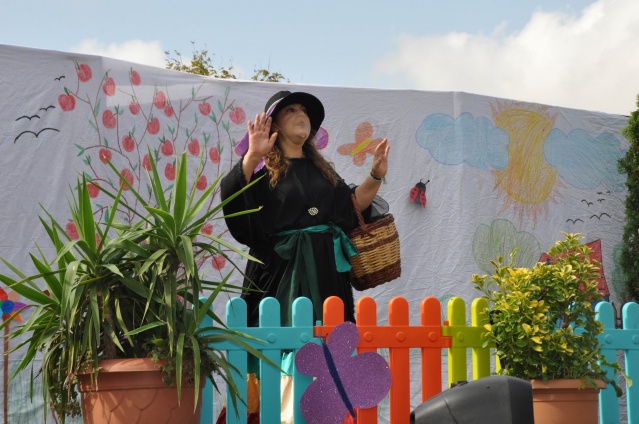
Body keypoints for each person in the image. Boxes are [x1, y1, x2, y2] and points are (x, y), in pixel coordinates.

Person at [220, 90, 390, 328]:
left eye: (304, 110)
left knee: (332, 337)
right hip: (280, 273)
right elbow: (233, 196)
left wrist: (375, 176)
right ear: (273, 124)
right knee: (281, 338)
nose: (301, 114)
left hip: (326, 271)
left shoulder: (324, 171)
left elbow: (350, 207)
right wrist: (253, 155)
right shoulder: (262, 173)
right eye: (291, 110)